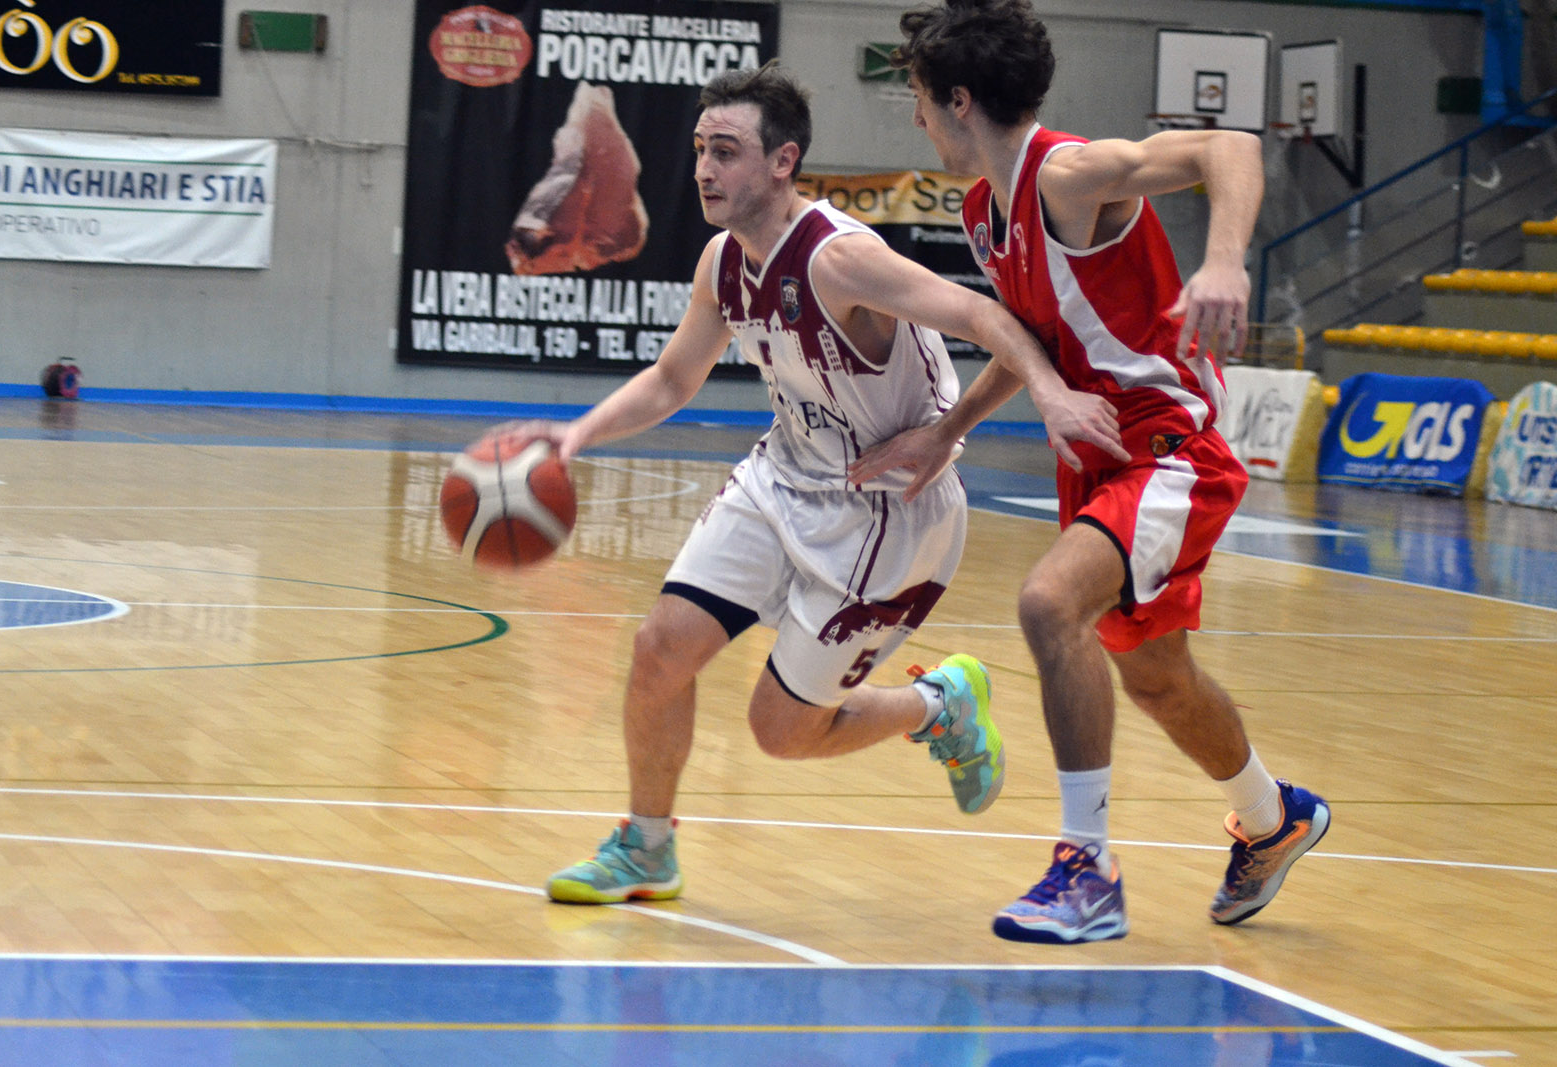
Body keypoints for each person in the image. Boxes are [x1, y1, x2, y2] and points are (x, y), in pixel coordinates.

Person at [494, 62, 1126, 905]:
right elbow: (674, 379)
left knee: (780, 732)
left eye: (726, 151)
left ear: (782, 161)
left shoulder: (843, 260)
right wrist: (575, 436)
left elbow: (985, 314)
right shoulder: (724, 261)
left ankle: (940, 703)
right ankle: (647, 848)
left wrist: (1030, 404)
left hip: (888, 510)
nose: (704, 170)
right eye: (698, 150)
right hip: (784, 475)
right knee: (658, 651)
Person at [849, 0, 1330, 943]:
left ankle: (1087, 869)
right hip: (1103, 458)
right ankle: (1276, 820)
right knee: (1154, 675)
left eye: (918, 99)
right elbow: (1035, 335)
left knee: (1046, 605)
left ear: (957, 99)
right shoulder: (988, 209)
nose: (914, 119)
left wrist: (1223, 262)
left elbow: (1226, 146)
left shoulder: (1064, 172)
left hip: (1168, 446)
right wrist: (949, 428)